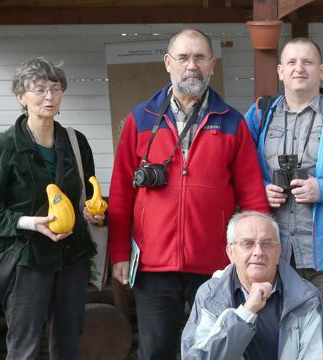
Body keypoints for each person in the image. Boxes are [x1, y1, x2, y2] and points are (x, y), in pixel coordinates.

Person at [108, 28, 269, 359]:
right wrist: (119, 252)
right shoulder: (140, 119)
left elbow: (252, 195)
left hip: (215, 262)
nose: (191, 66)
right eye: (183, 58)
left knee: (213, 347)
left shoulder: (231, 122)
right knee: (156, 350)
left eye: (199, 58)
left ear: (211, 64)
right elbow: (122, 192)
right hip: (153, 263)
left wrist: (255, 253)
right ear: (168, 63)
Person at [0, 57, 103, 359]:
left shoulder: (76, 142)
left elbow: (89, 193)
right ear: (21, 97)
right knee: (24, 347)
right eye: (39, 89)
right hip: (27, 260)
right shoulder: (5, 146)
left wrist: (94, 213)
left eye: (55, 88)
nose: (49, 96)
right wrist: (28, 222)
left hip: (73, 257)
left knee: (67, 344)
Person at [244, 37, 323, 342]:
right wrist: (261, 190)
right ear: (279, 71)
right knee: (272, 339)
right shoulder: (260, 115)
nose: (299, 68)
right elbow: (239, 170)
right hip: (273, 251)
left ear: (322, 70)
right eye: (291, 62)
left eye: (307, 62)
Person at [181, 211, 323, 359]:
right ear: (231, 253)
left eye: (267, 243)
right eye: (247, 243)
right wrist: (247, 312)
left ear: (278, 252)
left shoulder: (306, 297)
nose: (258, 252)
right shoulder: (210, 294)